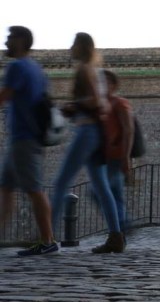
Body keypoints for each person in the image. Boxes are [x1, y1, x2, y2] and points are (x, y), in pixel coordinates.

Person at [51, 32, 124, 254]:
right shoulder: (95, 71)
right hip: (96, 133)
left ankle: (46, 238)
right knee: (101, 186)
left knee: (61, 182)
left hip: (87, 131)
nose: (69, 48)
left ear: (81, 47)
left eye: (73, 44)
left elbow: (94, 101)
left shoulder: (84, 70)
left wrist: (74, 106)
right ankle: (116, 236)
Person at [0, 26, 58, 255]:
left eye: (10, 38)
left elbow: (4, 97)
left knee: (34, 189)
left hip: (24, 139)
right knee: (5, 188)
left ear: (21, 41)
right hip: (27, 138)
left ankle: (48, 241)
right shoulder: (37, 68)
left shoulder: (17, 67)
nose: (6, 42)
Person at [102, 70, 134, 235]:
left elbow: (128, 130)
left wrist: (126, 158)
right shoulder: (102, 105)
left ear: (113, 85)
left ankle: (121, 225)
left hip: (116, 156)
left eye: (105, 82)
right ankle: (122, 226)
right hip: (107, 158)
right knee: (115, 195)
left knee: (99, 191)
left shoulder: (119, 103)